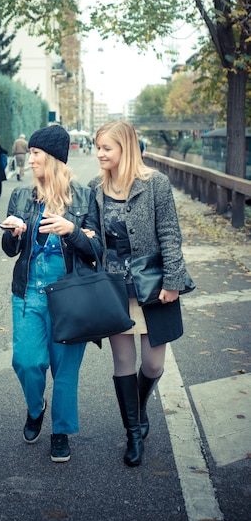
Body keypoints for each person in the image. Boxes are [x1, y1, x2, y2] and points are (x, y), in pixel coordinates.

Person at [0, 125, 102, 463]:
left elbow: (96, 249)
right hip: (28, 292)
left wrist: (73, 231)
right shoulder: (20, 196)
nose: (29, 160)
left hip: (71, 297)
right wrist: (13, 234)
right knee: (27, 361)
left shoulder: (84, 197)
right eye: (29, 153)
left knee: (65, 370)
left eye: (35, 154)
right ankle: (35, 406)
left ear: (53, 158)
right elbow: (9, 249)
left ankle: (60, 432)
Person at [88, 120, 187, 467]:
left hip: (153, 286)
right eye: (97, 147)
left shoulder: (156, 184)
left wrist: (173, 280)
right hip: (113, 288)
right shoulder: (95, 188)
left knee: (154, 363)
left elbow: (170, 235)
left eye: (106, 148)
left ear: (125, 148)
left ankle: (139, 405)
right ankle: (133, 432)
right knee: (123, 364)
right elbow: (92, 238)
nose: (99, 153)